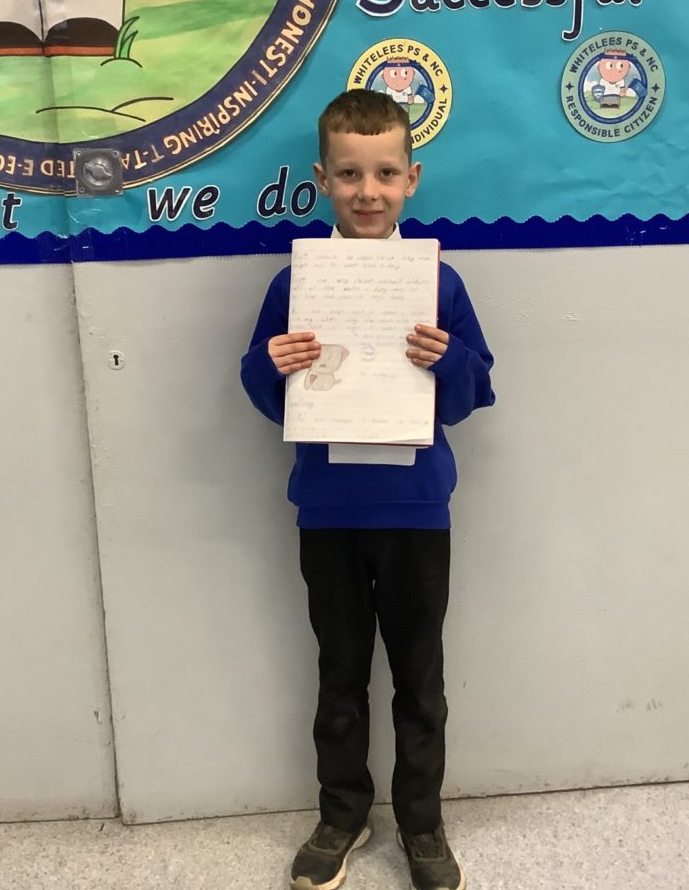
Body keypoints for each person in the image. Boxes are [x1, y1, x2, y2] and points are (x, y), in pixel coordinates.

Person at [240, 88, 495, 890]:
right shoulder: (295, 284)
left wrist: (449, 359)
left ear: (412, 179)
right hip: (329, 510)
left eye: (385, 173)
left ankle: (421, 822)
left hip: (417, 510)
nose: (368, 191)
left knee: (420, 677)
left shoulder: (438, 283)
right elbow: (262, 387)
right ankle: (342, 813)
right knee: (340, 672)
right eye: (349, 174)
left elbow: (473, 392)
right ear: (322, 180)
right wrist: (270, 365)